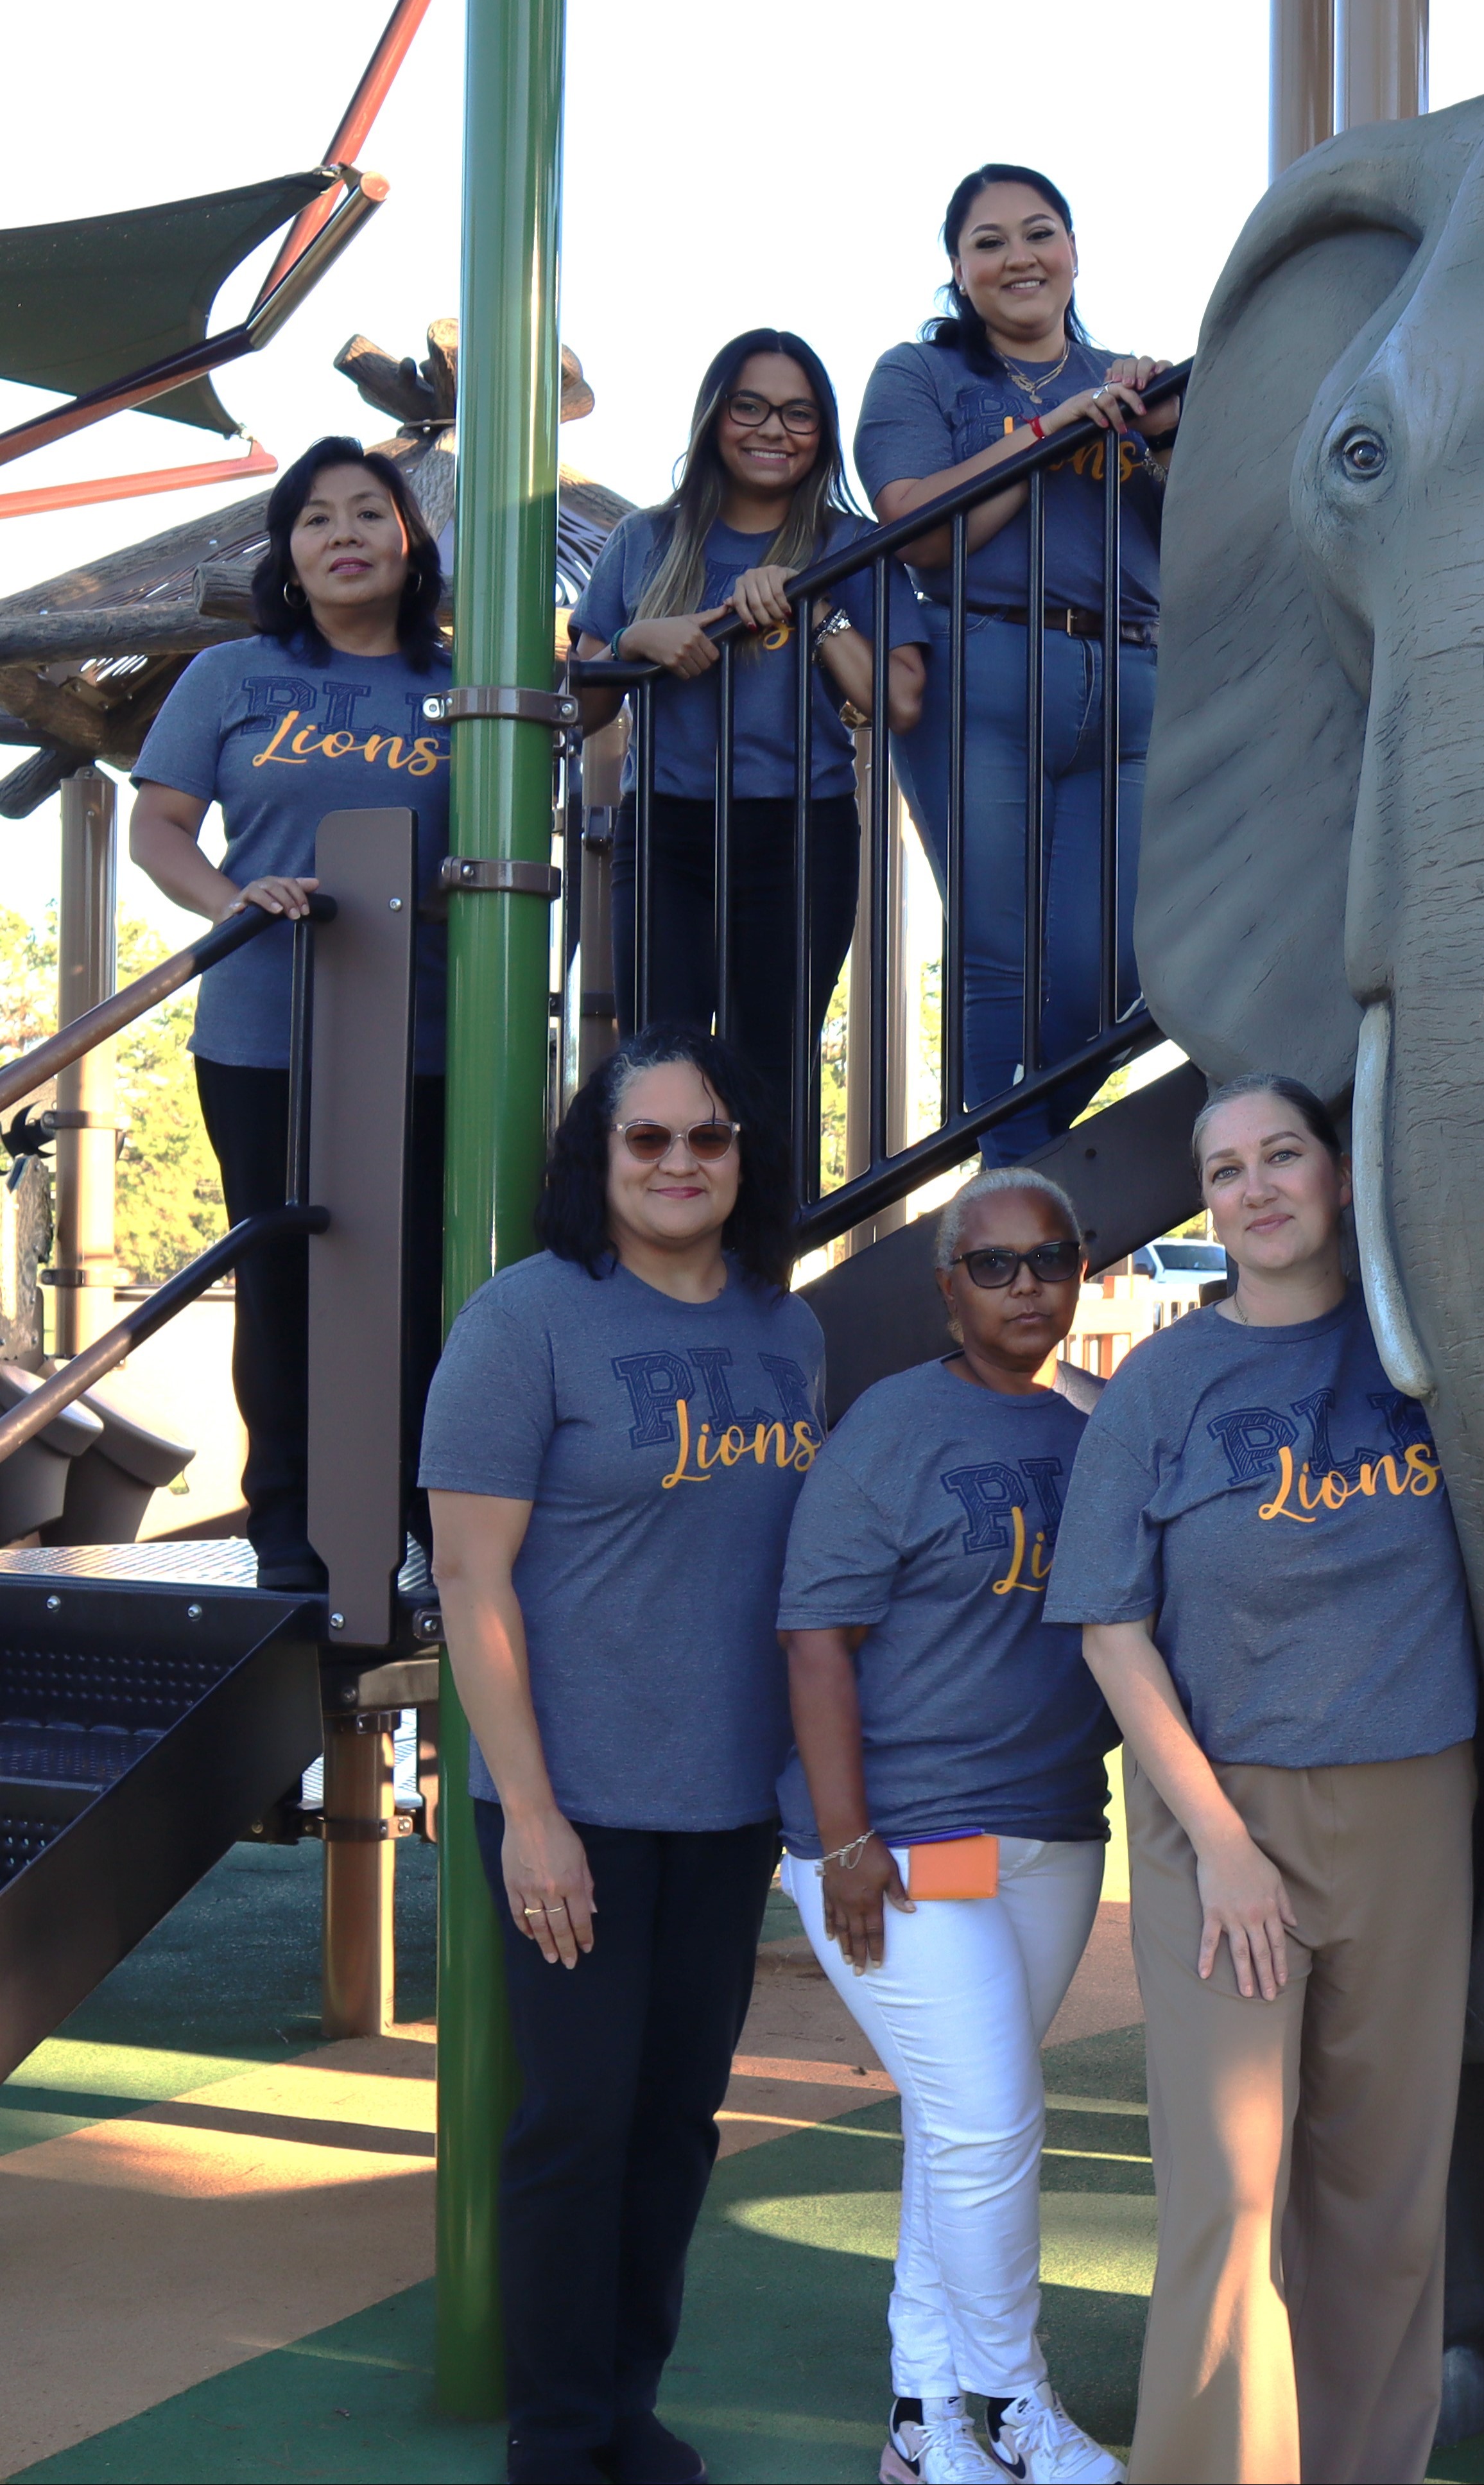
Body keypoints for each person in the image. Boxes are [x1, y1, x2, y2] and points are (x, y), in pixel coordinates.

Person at [1042, 1075, 1477, 2484]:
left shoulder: (1423, 1358)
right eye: (1222, 1169)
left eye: (1280, 1154)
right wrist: (1221, 1843)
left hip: (1414, 1807)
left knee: (1383, 2196)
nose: (1255, 1188)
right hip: (1220, 1823)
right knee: (1228, 2197)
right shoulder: (1164, 1385)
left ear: (1337, 1175)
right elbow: (1111, 1633)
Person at [421, 1026, 825, 2485]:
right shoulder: (525, 1322)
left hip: (723, 1808)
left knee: (674, 2123)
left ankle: (627, 2405)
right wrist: (529, 1814)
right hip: (567, 1803)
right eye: (644, 1138)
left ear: (743, 1160)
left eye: (707, 1138)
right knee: (578, 2125)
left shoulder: (788, 1330)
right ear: (597, 1162)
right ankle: (560, 2432)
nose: (677, 1163)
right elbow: (471, 1580)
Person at [776, 1166, 1123, 2485]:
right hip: (904, 1841)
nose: (1025, 1284)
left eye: (1050, 1259)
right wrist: (848, 1840)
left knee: (955, 2124)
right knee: (987, 2120)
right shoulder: (893, 1425)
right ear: (946, 1287)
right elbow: (815, 1637)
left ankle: (926, 2422)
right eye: (994, 1265)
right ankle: (1017, 2402)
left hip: (1045, 1827)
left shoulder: (1090, 1427)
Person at [130, 434, 453, 1590]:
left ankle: (418, 1513)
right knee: (279, 1273)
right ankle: (287, 1526)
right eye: (317, 519)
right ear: (289, 551)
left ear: (410, 542)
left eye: (369, 514)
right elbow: (159, 826)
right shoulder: (231, 676)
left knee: (420, 1274)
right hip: (264, 1029)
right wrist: (235, 902)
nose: (345, 536)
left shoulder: (454, 686)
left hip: (426, 1037)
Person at [854, 164, 1180, 1162]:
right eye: (987, 241)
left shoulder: (1135, 376)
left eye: (1038, 233)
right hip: (984, 664)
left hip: (1130, 675)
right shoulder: (924, 375)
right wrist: (1043, 437)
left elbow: (1208, 535)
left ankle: (1014, 1157)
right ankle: (1007, 1175)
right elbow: (915, 528)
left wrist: (1168, 440)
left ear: (1074, 251)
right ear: (958, 271)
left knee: (1113, 961)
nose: (1018, 257)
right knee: (999, 945)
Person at [572, 329, 927, 1131]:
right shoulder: (644, 541)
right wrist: (634, 642)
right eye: (752, 407)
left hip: (802, 831)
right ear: (714, 418)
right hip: (666, 830)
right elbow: (579, 705)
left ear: (822, 433)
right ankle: (661, 1251)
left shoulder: (848, 544)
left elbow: (896, 701)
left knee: (770, 1073)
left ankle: (764, 1257)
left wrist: (817, 605)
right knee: (658, 1066)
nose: (775, 430)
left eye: (800, 415)